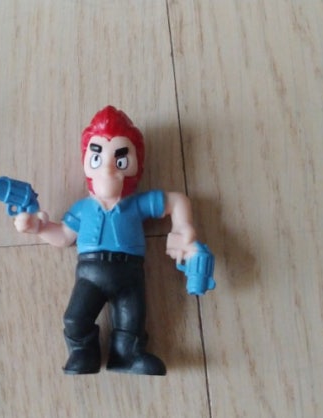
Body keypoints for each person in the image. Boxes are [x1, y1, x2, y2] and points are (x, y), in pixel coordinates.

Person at [14, 106, 198, 375]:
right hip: (90, 273)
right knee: (75, 318)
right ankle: (83, 353)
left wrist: (183, 227)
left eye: (120, 160)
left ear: (136, 165)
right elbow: (64, 236)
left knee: (132, 320)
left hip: (130, 273)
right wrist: (38, 227)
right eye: (98, 157)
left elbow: (176, 201)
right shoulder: (83, 209)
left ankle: (127, 355)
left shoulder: (137, 204)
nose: (109, 168)